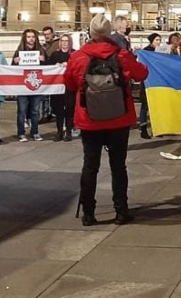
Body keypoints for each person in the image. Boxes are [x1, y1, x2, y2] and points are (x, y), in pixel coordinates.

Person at [64, 14, 149, 226]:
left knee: (90, 166)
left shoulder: (79, 56)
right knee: (118, 166)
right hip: (118, 119)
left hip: (89, 119)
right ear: (109, 32)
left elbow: (69, 83)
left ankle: (89, 213)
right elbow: (142, 74)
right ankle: (121, 210)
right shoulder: (121, 54)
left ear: (91, 32)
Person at [12, 29, 47, 142]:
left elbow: (48, 68)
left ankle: (35, 132)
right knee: (22, 110)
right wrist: (15, 62)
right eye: (28, 37)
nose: (31, 39)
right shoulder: (18, 52)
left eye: (33, 37)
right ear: (24, 38)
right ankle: (21, 133)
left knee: (35, 111)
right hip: (22, 87)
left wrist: (44, 61)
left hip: (36, 86)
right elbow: (12, 69)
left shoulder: (41, 51)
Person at [48, 35, 76, 142]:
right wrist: (55, 65)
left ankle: (68, 132)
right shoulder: (55, 54)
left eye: (66, 41)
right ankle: (59, 132)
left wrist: (68, 65)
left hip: (70, 87)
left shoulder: (74, 54)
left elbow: (78, 66)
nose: (64, 43)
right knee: (59, 110)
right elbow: (47, 66)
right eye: (62, 41)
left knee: (70, 109)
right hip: (57, 88)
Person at [137, 33, 162, 140]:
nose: (159, 42)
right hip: (147, 81)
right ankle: (143, 128)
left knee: (155, 106)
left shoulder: (161, 51)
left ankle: (157, 128)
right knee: (145, 106)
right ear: (151, 41)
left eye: (160, 40)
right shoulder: (146, 51)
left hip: (156, 82)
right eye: (156, 40)